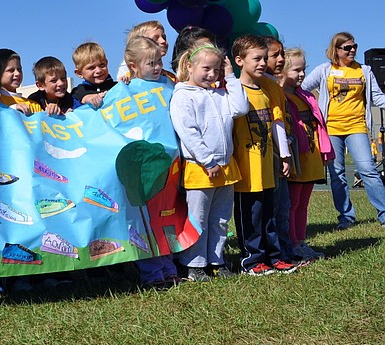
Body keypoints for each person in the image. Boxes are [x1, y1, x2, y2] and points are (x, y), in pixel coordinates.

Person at [170, 41, 248, 281]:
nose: (211, 74)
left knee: (221, 219)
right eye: (206, 68)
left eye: (216, 69)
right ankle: (194, 264)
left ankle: (216, 261)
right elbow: (188, 132)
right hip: (201, 168)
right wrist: (207, 161)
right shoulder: (183, 96)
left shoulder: (220, 94)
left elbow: (241, 108)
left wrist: (231, 77)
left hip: (226, 167)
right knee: (199, 219)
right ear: (190, 66)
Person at [302, 31, 385, 229]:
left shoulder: (364, 71)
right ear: (336, 49)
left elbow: (377, 97)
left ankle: (383, 214)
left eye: (354, 46)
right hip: (331, 128)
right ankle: (346, 217)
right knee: (337, 174)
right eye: (347, 47)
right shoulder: (325, 70)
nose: (352, 50)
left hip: (357, 126)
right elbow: (302, 87)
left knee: (368, 169)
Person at [231, 34, 298, 276]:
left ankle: (274, 256)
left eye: (264, 58)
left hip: (267, 163)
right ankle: (252, 260)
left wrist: (285, 155)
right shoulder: (233, 91)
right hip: (246, 168)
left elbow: (277, 123)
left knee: (269, 214)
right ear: (239, 60)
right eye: (256, 59)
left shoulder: (268, 89)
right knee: (251, 216)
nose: (262, 63)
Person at [122, 36, 180, 288]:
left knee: (167, 217)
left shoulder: (169, 85)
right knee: (146, 220)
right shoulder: (125, 90)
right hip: (145, 169)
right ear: (133, 66)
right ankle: (152, 273)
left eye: (159, 61)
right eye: (150, 63)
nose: (157, 67)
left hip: (171, 164)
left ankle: (169, 266)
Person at [281, 48, 330, 261]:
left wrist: (325, 151)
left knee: (303, 204)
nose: (302, 74)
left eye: (304, 69)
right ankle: (292, 244)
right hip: (295, 160)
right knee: (292, 205)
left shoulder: (307, 96)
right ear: (283, 70)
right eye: (296, 70)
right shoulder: (281, 97)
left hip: (311, 158)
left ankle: (301, 242)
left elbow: (319, 125)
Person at [261, 36, 297, 264]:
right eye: (275, 55)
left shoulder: (274, 84)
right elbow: (276, 121)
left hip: (281, 149)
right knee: (273, 207)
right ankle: (274, 253)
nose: (281, 59)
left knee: (284, 205)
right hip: (271, 152)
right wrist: (284, 153)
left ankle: (285, 249)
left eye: (282, 54)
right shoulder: (264, 84)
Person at [0, 48, 41, 115]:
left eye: (19, 69)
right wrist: (13, 108)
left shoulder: (34, 105)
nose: (17, 73)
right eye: (11, 70)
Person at [71, 42, 115, 108]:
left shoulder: (116, 86)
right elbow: (72, 110)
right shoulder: (77, 93)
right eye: (91, 67)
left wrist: (125, 84)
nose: (98, 70)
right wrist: (85, 99)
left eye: (102, 65)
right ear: (79, 73)